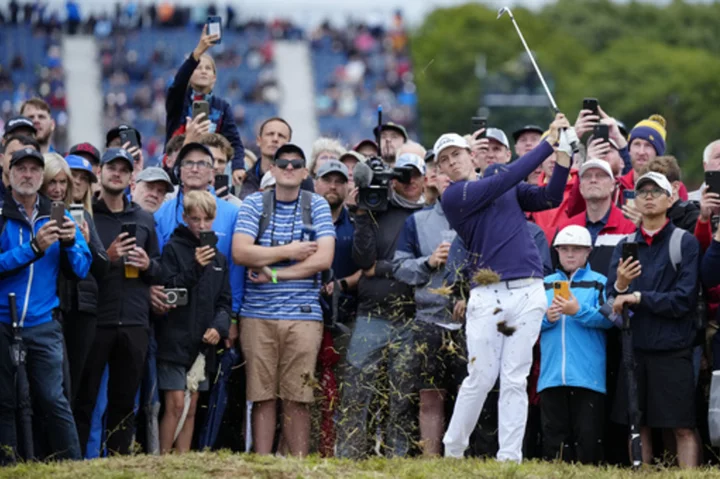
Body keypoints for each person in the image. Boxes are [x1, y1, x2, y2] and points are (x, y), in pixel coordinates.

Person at [437, 113, 572, 462]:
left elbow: (549, 197)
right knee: (481, 377)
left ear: (471, 153)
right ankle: (453, 449)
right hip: (489, 297)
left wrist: (563, 159)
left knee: (515, 378)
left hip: (528, 290)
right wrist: (548, 142)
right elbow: (507, 177)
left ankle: (509, 457)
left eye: (456, 154)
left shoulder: (498, 177)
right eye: (444, 160)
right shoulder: (455, 196)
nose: (453, 162)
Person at [233, 143, 335, 456]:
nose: (289, 168)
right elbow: (240, 251)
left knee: (299, 395)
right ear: (272, 169)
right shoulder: (254, 203)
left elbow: (324, 259)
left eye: (296, 164)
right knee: (261, 395)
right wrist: (289, 252)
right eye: (283, 163)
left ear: (305, 172)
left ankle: (298, 466)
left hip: (303, 314)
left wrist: (274, 273)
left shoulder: (316, 204)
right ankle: (263, 464)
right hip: (257, 314)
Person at [0, 148, 91, 463]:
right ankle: (10, 466)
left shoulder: (61, 215)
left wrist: (69, 244)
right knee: (5, 401)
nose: (27, 174)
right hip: (2, 321)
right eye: (21, 168)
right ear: (10, 174)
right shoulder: (2, 214)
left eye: (33, 169)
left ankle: (75, 467)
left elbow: (81, 269)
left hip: (42, 323)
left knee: (54, 399)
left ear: (41, 177)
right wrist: (33, 248)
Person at [606, 172, 700, 468]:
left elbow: (683, 300)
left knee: (683, 426)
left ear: (671, 198)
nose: (647, 196)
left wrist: (638, 298)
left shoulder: (684, 242)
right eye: (641, 191)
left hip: (674, 348)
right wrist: (621, 285)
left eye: (655, 191)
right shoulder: (625, 245)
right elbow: (611, 300)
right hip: (635, 348)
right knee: (638, 424)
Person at [336, 152, 426, 459]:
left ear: (425, 178)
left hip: (411, 314)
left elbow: (427, 264)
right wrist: (362, 213)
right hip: (372, 313)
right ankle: (349, 456)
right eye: (402, 176)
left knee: (401, 397)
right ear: (393, 182)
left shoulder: (430, 214)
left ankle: (396, 461)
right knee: (356, 392)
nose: (409, 181)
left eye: (414, 175)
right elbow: (363, 261)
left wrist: (384, 268)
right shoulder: (377, 208)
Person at [74, 148, 162, 456]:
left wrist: (147, 264)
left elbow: (161, 268)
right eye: (112, 167)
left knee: (124, 404)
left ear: (130, 177)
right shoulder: (86, 216)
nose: (117, 173)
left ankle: (117, 464)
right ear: (100, 172)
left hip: (135, 321)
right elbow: (75, 270)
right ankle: (77, 465)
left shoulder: (145, 219)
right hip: (96, 319)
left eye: (124, 169)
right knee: (84, 399)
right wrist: (107, 258)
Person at [393, 163, 465, 457]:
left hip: (472, 321)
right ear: (431, 179)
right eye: (441, 170)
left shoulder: (481, 217)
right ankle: (430, 460)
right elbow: (399, 268)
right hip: (429, 319)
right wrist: (428, 262)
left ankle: (465, 460)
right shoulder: (417, 221)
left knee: (470, 395)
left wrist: (470, 297)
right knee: (429, 395)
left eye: (453, 168)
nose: (447, 177)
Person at [157, 190, 231, 454]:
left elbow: (224, 302)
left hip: (203, 344)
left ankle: (183, 462)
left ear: (214, 219)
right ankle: (162, 461)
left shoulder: (220, 259)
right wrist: (196, 268)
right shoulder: (172, 249)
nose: (201, 225)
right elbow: (168, 292)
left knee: (192, 403)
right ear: (185, 217)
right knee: (175, 403)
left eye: (207, 219)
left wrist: (219, 327)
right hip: (174, 340)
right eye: (195, 219)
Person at [154, 142, 242, 346]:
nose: (194, 168)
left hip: (212, 319)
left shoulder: (231, 213)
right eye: (188, 163)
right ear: (179, 170)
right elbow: (156, 263)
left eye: (202, 163)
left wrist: (232, 317)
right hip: (171, 319)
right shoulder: (161, 212)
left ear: (213, 172)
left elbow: (236, 269)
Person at [539, 225, 612, 464]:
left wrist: (578, 311)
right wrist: (546, 320)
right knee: (555, 442)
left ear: (588, 252)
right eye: (564, 249)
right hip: (551, 376)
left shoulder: (599, 282)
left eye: (577, 249)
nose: (570, 254)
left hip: (587, 377)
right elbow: (526, 324)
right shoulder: (544, 284)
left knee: (588, 440)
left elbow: (609, 319)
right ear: (556, 251)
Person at [42, 154, 109, 404]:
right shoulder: (33, 215)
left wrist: (84, 243)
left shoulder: (79, 217)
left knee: (71, 388)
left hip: (80, 308)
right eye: (53, 182)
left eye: (65, 182)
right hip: (47, 309)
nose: (59, 188)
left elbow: (100, 268)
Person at [165, 26, 245, 184]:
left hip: (210, 172)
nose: (203, 71)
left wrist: (238, 166)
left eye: (208, 68)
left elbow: (234, 141)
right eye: (198, 67)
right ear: (189, 74)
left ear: (214, 78)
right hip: (177, 168)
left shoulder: (222, 107)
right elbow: (177, 85)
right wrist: (198, 52)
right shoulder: (180, 99)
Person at [559, 159, 637, 273]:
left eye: (600, 176)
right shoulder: (566, 229)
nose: (593, 180)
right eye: (587, 176)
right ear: (580, 188)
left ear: (612, 185)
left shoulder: (630, 227)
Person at [238, 117, 313, 199]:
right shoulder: (245, 178)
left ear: (288, 143)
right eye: (270, 134)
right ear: (259, 140)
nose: (275, 139)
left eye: (281, 136)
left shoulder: (302, 179)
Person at [643, 156, 700, 232]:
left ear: (675, 187)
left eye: (658, 188)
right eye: (645, 189)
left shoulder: (693, 219)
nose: (649, 195)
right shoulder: (645, 217)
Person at [197, 133, 242, 207]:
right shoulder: (178, 197)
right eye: (211, 160)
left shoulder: (236, 206)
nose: (216, 166)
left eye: (221, 161)